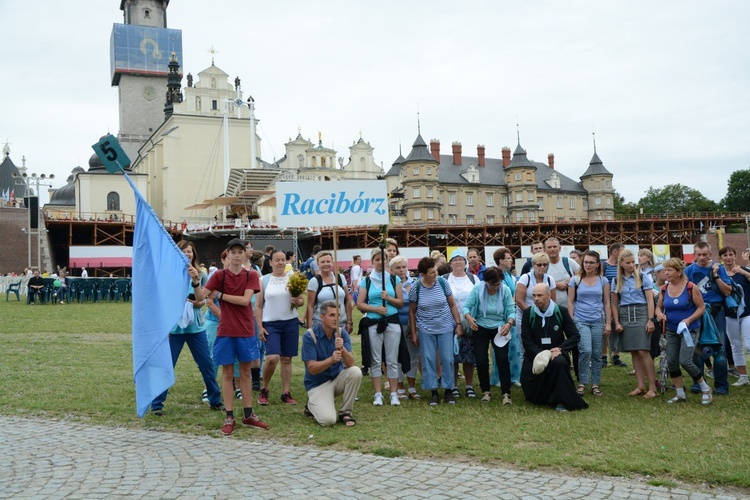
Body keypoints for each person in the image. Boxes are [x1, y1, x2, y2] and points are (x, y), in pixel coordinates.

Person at [196, 238, 267, 435]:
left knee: (244, 373)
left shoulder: (251, 275)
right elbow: (202, 296)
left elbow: (245, 301)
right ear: (227, 254)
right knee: (227, 374)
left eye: (239, 252)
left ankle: (248, 414)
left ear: (245, 254)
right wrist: (195, 281)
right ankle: (229, 416)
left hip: (245, 330)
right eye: (233, 252)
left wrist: (219, 295)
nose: (236, 255)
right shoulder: (219, 275)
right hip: (225, 330)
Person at [150, 241, 223, 416]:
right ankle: (157, 404)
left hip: (196, 328)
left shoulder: (201, 274)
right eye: (183, 251)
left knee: (206, 364)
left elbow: (203, 298)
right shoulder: (168, 273)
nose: (187, 254)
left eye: (189, 251)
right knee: (168, 364)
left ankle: (215, 400)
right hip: (174, 328)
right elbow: (162, 301)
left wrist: (196, 284)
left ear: (194, 254)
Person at [521, 284, 588, 412]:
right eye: (534, 295)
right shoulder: (528, 313)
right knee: (533, 396)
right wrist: (542, 355)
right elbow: (526, 340)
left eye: (539, 295)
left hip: (556, 353)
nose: (536, 299)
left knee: (559, 363)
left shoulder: (561, 311)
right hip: (535, 354)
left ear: (549, 295)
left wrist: (561, 349)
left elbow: (574, 336)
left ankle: (562, 400)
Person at [655, 258, 713, 405]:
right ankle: (680, 394)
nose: (666, 273)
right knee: (672, 361)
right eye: (665, 270)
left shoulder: (690, 287)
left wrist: (688, 320)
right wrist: (659, 314)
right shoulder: (664, 288)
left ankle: (705, 388)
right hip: (671, 329)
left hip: (690, 329)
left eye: (669, 270)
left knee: (685, 361)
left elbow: (701, 308)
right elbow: (659, 306)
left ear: (679, 272)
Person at [409, 256, 463, 405]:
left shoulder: (442, 283)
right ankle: (433, 391)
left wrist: (458, 324)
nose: (435, 275)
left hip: (445, 326)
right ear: (422, 274)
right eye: (432, 273)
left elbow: (452, 305)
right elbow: (412, 311)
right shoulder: (416, 287)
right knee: (428, 359)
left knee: (447, 359)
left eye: (436, 271)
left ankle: (448, 390)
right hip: (426, 329)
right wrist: (414, 332)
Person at [256, 249, 305, 406]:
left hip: (290, 322)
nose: (281, 262)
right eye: (277, 260)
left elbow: (301, 300)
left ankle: (286, 392)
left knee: (286, 358)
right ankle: (264, 388)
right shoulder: (263, 280)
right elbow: (258, 306)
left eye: (283, 259)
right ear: (270, 262)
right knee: (272, 358)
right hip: (271, 324)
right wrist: (259, 327)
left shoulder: (293, 278)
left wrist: (299, 302)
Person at [301, 301, 362, 427]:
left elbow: (351, 363)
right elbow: (311, 369)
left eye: (338, 315)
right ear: (322, 317)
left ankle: (345, 412)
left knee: (356, 372)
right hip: (317, 384)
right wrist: (331, 360)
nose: (336, 319)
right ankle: (310, 405)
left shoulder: (341, 333)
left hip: (336, 379)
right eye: (332, 315)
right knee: (328, 421)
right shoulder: (310, 336)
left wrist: (342, 348)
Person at [357, 247, 404, 406]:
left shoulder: (393, 279)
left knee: (392, 359)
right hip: (373, 322)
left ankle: (393, 393)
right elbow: (360, 304)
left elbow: (400, 302)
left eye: (382, 259)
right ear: (372, 262)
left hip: (391, 321)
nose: (379, 262)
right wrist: (376, 309)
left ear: (386, 261)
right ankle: (378, 394)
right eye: (376, 260)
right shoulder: (367, 281)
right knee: (376, 359)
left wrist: (388, 298)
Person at [463, 267, 515, 404]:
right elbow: (466, 307)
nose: (497, 287)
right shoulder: (477, 289)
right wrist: (469, 318)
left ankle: (506, 393)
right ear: (486, 282)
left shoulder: (505, 290)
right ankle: (485, 391)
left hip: (500, 327)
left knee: (502, 359)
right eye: (493, 285)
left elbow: (511, 310)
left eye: (499, 284)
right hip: (480, 327)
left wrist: (508, 323)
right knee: (481, 361)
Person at [685, 241, 732, 395]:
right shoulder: (689, 270)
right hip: (696, 312)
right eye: (699, 254)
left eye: (705, 254)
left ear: (710, 254)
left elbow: (727, 291)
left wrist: (716, 275)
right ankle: (699, 383)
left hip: (716, 312)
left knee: (720, 348)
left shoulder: (719, 269)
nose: (702, 258)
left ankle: (721, 385)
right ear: (694, 255)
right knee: (696, 349)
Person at [611, 249, 657, 398]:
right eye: (628, 263)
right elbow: (614, 303)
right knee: (634, 351)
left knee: (643, 350)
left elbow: (650, 299)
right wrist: (616, 321)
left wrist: (650, 319)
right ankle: (640, 385)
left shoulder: (643, 277)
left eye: (633, 262)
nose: (631, 265)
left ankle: (652, 387)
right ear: (621, 264)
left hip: (641, 312)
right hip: (625, 313)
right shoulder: (617, 280)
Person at [568, 251, 611, 397]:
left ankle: (595, 384)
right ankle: (582, 382)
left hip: (598, 319)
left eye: (591, 262)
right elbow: (570, 301)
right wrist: (571, 319)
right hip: (581, 319)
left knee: (597, 353)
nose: (588, 265)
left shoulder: (603, 281)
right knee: (585, 350)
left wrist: (608, 323)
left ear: (597, 264)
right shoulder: (575, 280)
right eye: (585, 262)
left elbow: (607, 302)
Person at [443, 249, 479, 399]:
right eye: (454, 259)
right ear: (450, 263)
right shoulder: (444, 279)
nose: (458, 262)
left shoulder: (473, 279)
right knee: (452, 356)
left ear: (465, 262)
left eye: (460, 259)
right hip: (449, 323)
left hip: (469, 322)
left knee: (469, 356)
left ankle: (469, 385)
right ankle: (454, 385)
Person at [719, 246, 750, 386]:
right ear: (721, 258)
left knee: (749, 344)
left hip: (746, 313)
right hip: (729, 314)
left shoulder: (744, 271)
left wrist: (744, 272)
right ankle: (743, 376)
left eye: (730, 254)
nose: (728, 257)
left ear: (735, 256)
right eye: (725, 255)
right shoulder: (719, 274)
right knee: (735, 345)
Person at [391, 255, 420, 399]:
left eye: (404, 267)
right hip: (396, 323)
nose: (401, 270)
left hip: (413, 324)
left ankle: (412, 387)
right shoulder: (390, 285)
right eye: (398, 268)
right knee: (397, 356)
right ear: (392, 270)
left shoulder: (415, 283)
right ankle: (400, 387)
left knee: (413, 355)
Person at [493, 247, 521, 386]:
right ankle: (498, 377)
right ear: (501, 261)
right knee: (500, 347)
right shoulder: (495, 275)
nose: (511, 260)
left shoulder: (510, 276)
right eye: (509, 258)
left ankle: (515, 376)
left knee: (514, 347)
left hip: (511, 313)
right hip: (498, 315)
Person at [306, 250, 353, 332]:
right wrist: (309, 328)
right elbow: (310, 306)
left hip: (341, 323)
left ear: (332, 263)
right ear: (318, 264)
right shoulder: (314, 281)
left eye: (328, 261)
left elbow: (347, 301)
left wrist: (349, 321)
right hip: (321, 324)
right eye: (322, 262)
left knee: (341, 344)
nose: (326, 264)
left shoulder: (340, 278)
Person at [515, 252, 556, 332]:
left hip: (545, 316)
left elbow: (553, 301)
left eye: (545, 264)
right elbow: (519, 301)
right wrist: (532, 314)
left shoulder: (550, 280)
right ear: (533, 265)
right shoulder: (525, 278)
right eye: (539, 265)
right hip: (526, 317)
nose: (542, 267)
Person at [602, 243, 627, 367]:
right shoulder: (604, 265)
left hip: (620, 302)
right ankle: (603, 356)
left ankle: (616, 355)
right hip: (605, 302)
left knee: (618, 329)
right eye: (622, 252)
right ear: (615, 252)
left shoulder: (621, 266)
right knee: (605, 330)